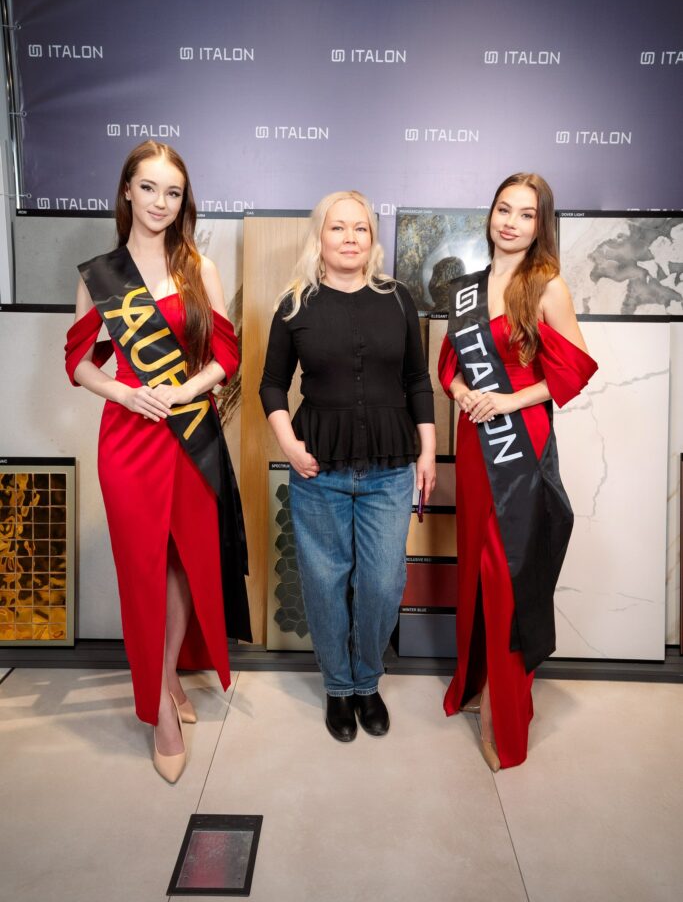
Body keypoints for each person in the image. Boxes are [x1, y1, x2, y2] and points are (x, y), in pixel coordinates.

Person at [65, 141, 251, 783]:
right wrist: (124, 392)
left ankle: (169, 674)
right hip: (128, 439)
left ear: (183, 201)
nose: (159, 202)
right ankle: (160, 711)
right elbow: (79, 363)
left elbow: (226, 356)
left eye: (172, 193)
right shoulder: (99, 274)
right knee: (141, 569)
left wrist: (185, 390)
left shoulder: (199, 267)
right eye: (148, 188)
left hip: (190, 431)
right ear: (127, 191)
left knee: (184, 563)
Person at [260, 190, 436, 742]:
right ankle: (340, 688)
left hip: (390, 469)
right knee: (325, 583)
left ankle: (367, 680)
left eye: (360, 228)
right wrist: (289, 445)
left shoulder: (397, 298)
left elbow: (417, 380)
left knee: (382, 583)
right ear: (321, 236)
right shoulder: (294, 304)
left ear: (372, 238)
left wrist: (428, 450)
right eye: (338, 227)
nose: (350, 237)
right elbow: (271, 385)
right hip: (319, 471)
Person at [438, 173, 597, 770]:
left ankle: (503, 711)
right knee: (474, 568)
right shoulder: (467, 288)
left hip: (518, 446)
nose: (510, 222)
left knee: (508, 575)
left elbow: (574, 370)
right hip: (473, 440)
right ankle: (475, 681)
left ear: (540, 225)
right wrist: (459, 389)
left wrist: (506, 401)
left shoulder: (546, 284)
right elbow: (451, 364)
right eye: (504, 209)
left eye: (526, 214)